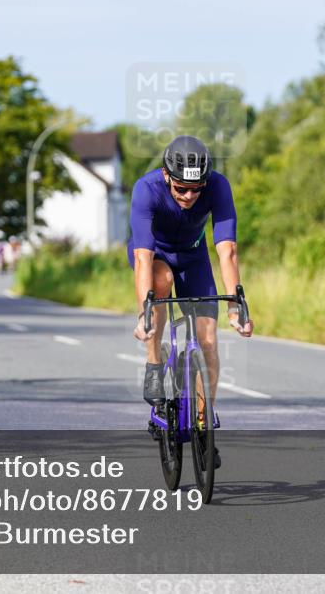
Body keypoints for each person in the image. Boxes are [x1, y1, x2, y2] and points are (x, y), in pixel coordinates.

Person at [128, 135, 254, 469]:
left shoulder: (218, 186)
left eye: (195, 189)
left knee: (209, 340)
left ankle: (202, 424)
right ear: (167, 176)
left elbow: (226, 248)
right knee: (162, 281)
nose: (188, 196)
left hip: (194, 256)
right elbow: (142, 257)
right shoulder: (147, 189)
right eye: (181, 188)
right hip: (156, 256)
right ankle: (154, 364)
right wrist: (146, 313)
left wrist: (235, 304)